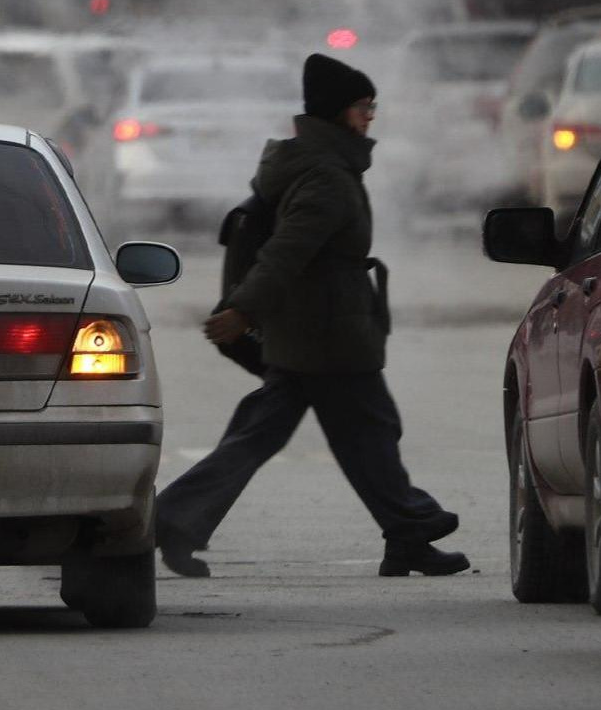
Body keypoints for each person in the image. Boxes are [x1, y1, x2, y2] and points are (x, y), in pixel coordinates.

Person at [155, 54, 468, 579]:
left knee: (307, 433)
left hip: (317, 330)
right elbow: (286, 251)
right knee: (367, 432)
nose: (370, 117)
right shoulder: (326, 176)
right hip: (327, 333)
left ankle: (176, 519)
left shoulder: (321, 165)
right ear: (337, 112)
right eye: (363, 107)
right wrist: (241, 309)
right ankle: (409, 528)